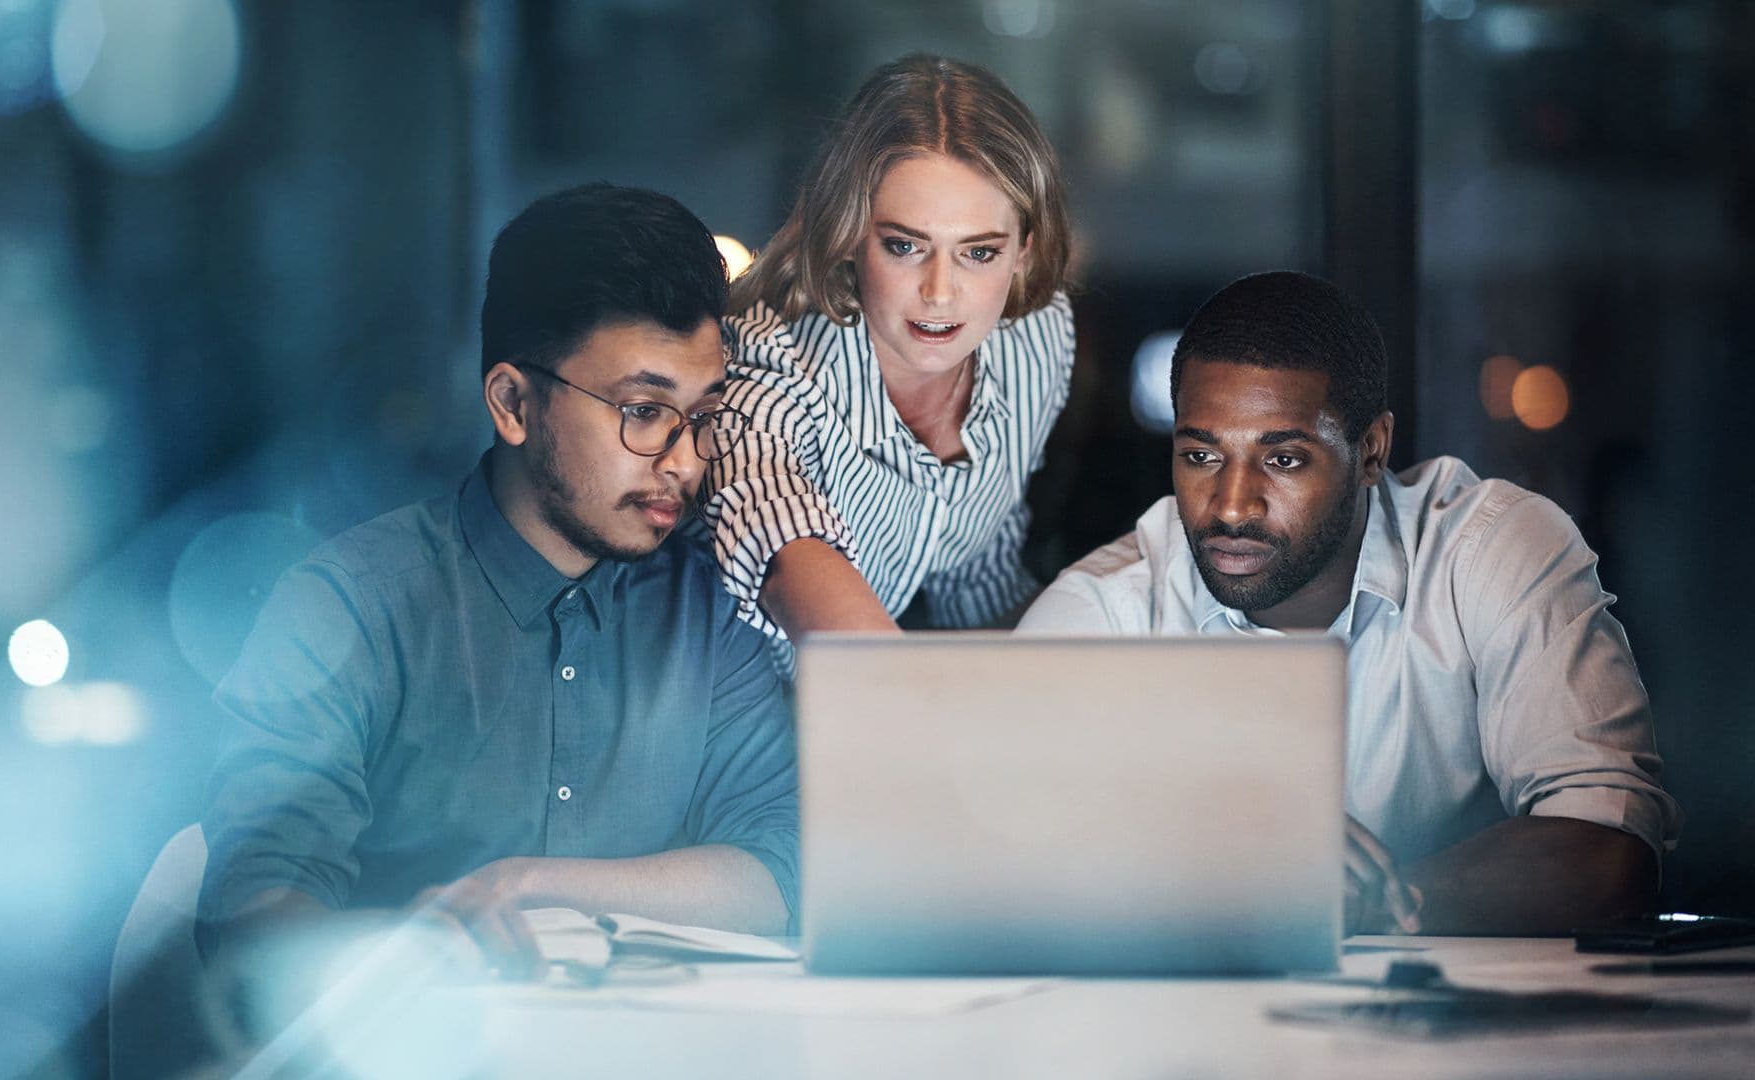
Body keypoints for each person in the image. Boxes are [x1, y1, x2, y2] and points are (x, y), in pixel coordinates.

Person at [197, 184, 799, 981]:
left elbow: (783, 866)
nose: (685, 462)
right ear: (514, 403)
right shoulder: (352, 607)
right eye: (644, 410)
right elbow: (253, 905)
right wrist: (406, 953)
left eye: (703, 416)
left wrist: (535, 889)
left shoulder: (712, 608)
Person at [1019, 271, 1680, 935]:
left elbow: (1612, 851)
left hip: (1467, 1032)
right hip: (1195, 1034)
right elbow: (999, 871)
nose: (1230, 505)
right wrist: (1214, 867)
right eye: (1200, 455)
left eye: (1282, 461)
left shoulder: (1488, 554)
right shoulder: (1100, 616)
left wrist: (1351, 905)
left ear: (1370, 452)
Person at [702, 54, 1075, 664]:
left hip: (886, 712)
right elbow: (781, 543)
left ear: (1025, 252)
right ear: (851, 234)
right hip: (731, 726)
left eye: (978, 253)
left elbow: (976, 582)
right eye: (904, 246)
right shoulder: (768, 366)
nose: (939, 291)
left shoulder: (1035, 339)